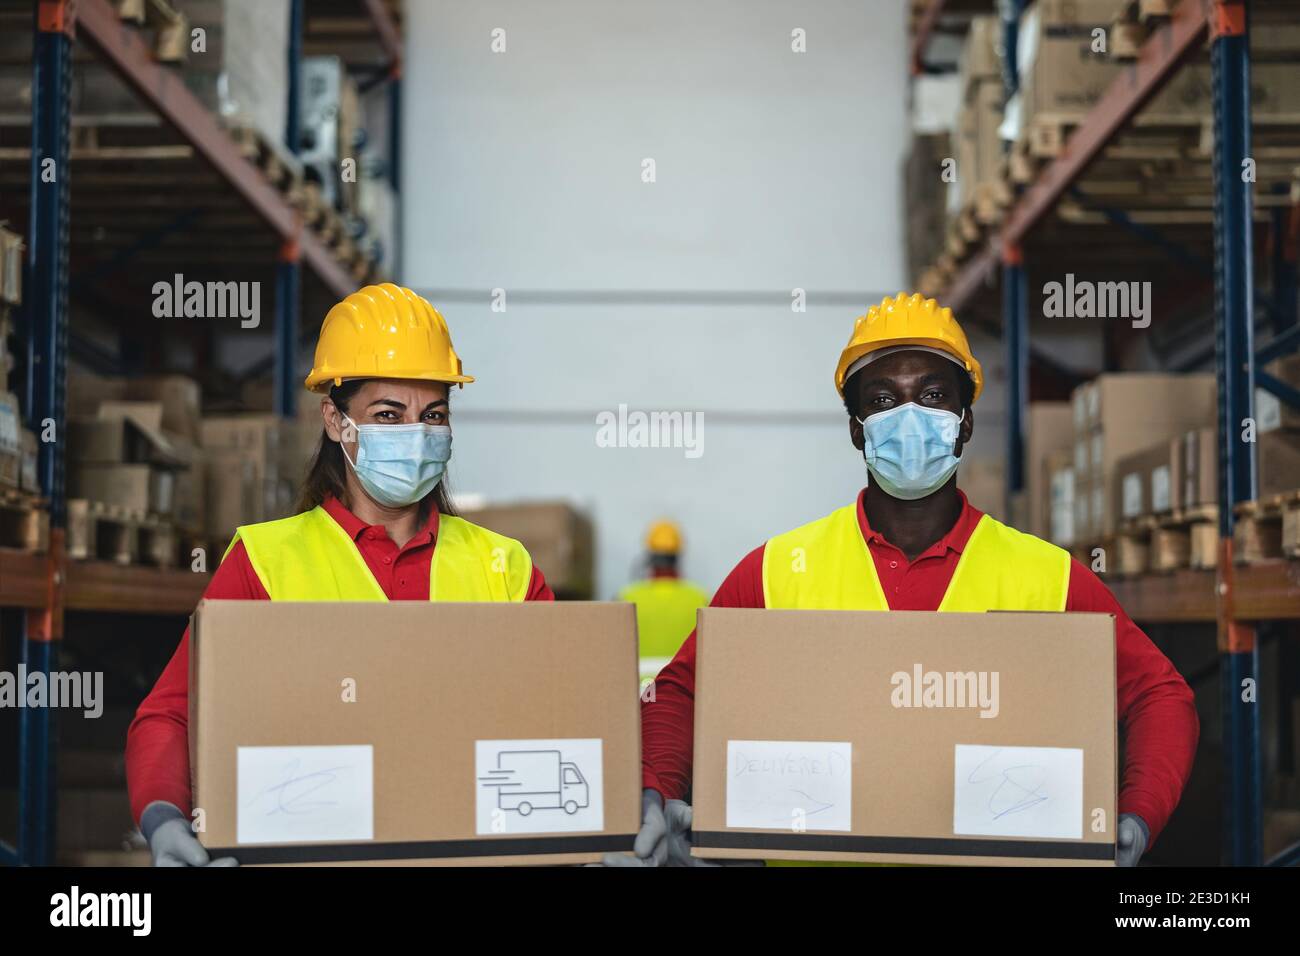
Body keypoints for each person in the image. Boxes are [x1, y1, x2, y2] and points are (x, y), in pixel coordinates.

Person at [608, 292, 1199, 868]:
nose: (909, 418)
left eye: (934, 396)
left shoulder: (1048, 577)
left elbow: (1160, 695)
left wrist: (1136, 815)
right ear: (857, 429)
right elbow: (677, 695)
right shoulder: (776, 572)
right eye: (884, 399)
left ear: (966, 424)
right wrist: (654, 795)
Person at [125, 283, 554, 866]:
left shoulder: (506, 568)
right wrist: (163, 818)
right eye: (387, 414)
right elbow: (172, 713)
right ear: (335, 420)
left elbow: (563, 720)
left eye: (433, 415)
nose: (416, 434)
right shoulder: (265, 561)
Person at [619, 520, 710, 686]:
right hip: (681, 688)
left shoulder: (626, 597)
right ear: (678, 556)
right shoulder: (699, 598)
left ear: (649, 557)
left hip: (635, 689)